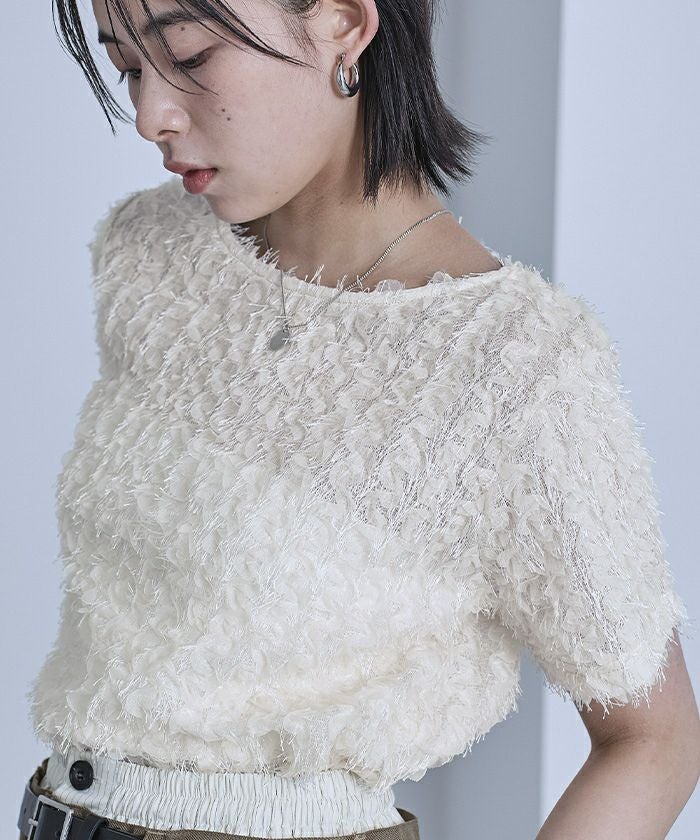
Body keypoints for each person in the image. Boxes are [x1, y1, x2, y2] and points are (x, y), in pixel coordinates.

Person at [18, 2, 700, 840]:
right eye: (128, 69)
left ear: (344, 22)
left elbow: (654, 738)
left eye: (188, 57)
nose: (150, 116)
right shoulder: (149, 250)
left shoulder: (515, 367)